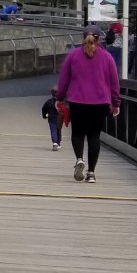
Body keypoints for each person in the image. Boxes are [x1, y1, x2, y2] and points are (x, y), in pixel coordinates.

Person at [53, 25, 121, 183]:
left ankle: (79, 159)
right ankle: (91, 173)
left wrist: (59, 98)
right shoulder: (107, 57)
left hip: (78, 101)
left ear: (83, 37)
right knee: (94, 136)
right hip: (101, 102)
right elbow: (114, 82)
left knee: (78, 133)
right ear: (99, 38)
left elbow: (64, 80)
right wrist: (116, 103)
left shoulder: (73, 55)